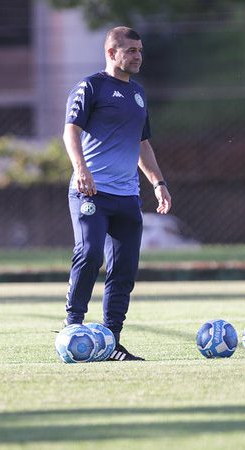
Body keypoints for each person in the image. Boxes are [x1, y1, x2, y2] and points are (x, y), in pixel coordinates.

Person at [61, 26, 171, 361]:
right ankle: (73, 327)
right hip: (91, 192)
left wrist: (158, 183)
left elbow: (142, 144)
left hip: (127, 198)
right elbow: (70, 132)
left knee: (123, 269)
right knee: (91, 253)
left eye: (140, 50)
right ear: (112, 53)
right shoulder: (91, 86)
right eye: (131, 51)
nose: (138, 56)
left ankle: (111, 341)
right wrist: (82, 170)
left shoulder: (138, 94)